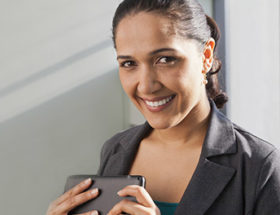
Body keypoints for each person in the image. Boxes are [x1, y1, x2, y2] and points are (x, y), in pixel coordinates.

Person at [46, 0, 280, 214]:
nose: (146, 86)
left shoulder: (259, 166)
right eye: (129, 63)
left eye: (165, 59)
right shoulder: (115, 150)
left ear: (206, 56)